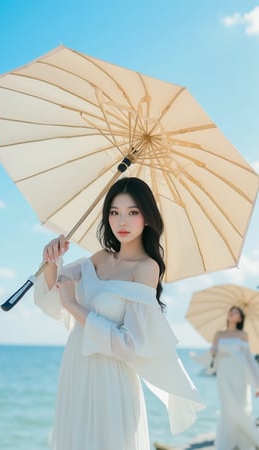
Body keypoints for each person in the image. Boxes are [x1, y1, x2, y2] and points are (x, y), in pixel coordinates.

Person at [34, 177, 204, 450]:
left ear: (147, 217)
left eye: (132, 212)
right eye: (115, 212)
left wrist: (75, 307)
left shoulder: (147, 268)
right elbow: (55, 287)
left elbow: (129, 344)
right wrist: (51, 259)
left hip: (112, 376)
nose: (122, 221)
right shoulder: (100, 257)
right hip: (76, 367)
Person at [211, 306, 259, 450]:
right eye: (230, 311)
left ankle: (245, 440)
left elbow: (249, 359)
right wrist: (213, 352)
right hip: (223, 373)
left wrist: (257, 384)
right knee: (227, 406)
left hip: (240, 374)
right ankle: (226, 443)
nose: (231, 313)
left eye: (235, 312)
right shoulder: (218, 334)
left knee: (240, 405)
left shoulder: (243, 334)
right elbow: (213, 357)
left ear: (239, 318)